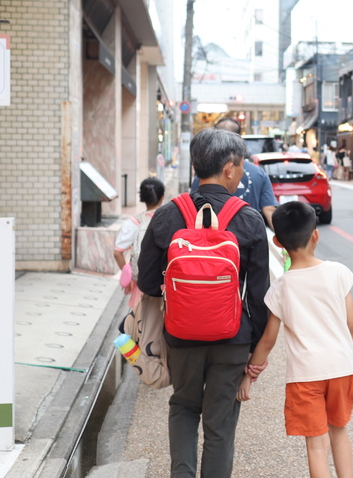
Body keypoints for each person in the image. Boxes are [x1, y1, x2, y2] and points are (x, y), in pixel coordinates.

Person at [138, 128, 271, 478]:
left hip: (181, 336)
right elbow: (259, 297)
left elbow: (148, 281)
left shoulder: (167, 215)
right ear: (229, 168)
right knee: (220, 422)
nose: (242, 174)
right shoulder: (249, 219)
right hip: (233, 339)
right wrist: (253, 349)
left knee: (183, 406)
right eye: (241, 167)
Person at [237, 201, 353, 478]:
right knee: (339, 432)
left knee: (316, 446)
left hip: (305, 376)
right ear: (316, 235)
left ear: (278, 242)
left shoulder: (282, 286)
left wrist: (250, 375)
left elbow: (268, 341)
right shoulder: (338, 272)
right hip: (342, 368)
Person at [191, 117, 279, 230]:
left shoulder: (206, 171)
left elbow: (193, 207)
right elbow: (269, 209)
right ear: (239, 137)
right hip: (249, 234)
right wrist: (285, 242)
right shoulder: (258, 173)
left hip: (211, 240)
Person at [113, 177, 165, 308]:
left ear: (142, 197)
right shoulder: (168, 220)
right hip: (164, 282)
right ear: (162, 197)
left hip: (141, 281)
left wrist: (128, 272)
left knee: (139, 321)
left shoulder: (134, 223)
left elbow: (117, 252)